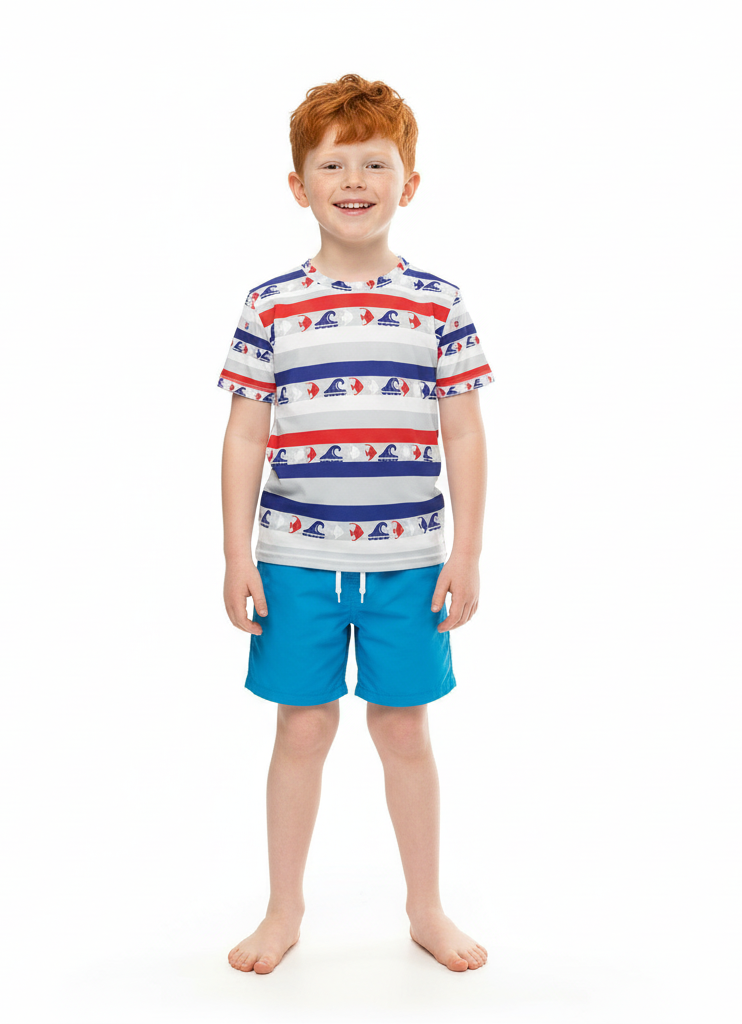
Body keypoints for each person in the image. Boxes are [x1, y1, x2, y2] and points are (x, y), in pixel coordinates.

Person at [217, 73, 494, 974]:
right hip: (293, 561)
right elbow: (246, 432)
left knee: (404, 730)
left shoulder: (440, 303)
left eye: (376, 163)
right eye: (333, 164)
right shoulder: (270, 304)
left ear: (408, 183)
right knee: (300, 728)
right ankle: (283, 908)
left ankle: (426, 907)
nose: (354, 180)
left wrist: (467, 553)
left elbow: (463, 431)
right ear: (298, 185)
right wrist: (235, 555)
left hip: (409, 564)